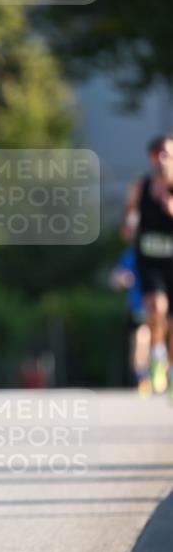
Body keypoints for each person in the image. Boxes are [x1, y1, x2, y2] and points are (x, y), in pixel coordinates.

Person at [122, 135, 173, 397]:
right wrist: (130, 224)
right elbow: (130, 216)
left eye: (166, 153)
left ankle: (170, 368)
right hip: (149, 260)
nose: (161, 158)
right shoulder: (140, 186)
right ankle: (157, 357)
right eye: (157, 153)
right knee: (156, 309)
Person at [109, 246, 150, 396]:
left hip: (160, 306)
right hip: (138, 307)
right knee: (139, 341)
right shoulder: (130, 254)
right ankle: (142, 378)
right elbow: (114, 280)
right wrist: (120, 279)